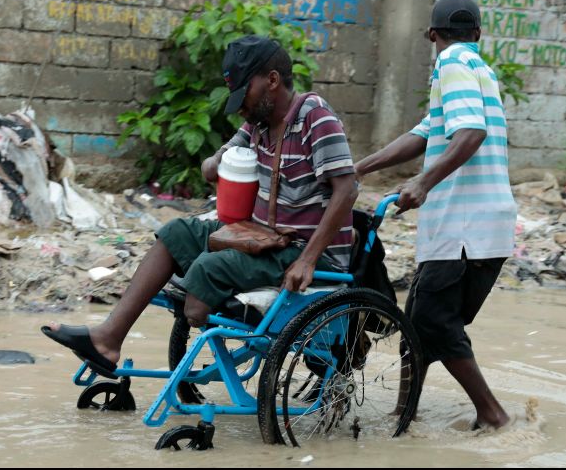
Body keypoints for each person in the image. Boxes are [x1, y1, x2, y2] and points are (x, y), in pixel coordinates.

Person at [42, 35, 358, 378]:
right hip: (265, 238)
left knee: (208, 270)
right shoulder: (257, 125)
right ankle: (108, 339)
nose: (240, 107)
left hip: (304, 249)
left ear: (272, 80)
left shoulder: (315, 116)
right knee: (176, 233)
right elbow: (212, 166)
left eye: (244, 95)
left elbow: (347, 190)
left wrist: (308, 260)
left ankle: (203, 313)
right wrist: (218, 161)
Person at [354, 0, 517, 430]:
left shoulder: (450, 65)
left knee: (432, 323)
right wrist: (360, 168)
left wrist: (423, 183)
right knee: (421, 328)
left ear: (432, 36)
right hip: (489, 227)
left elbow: (471, 133)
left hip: (461, 229)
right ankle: (404, 414)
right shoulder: (480, 70)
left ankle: (492, 415)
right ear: (478, 34)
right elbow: (427, 132)